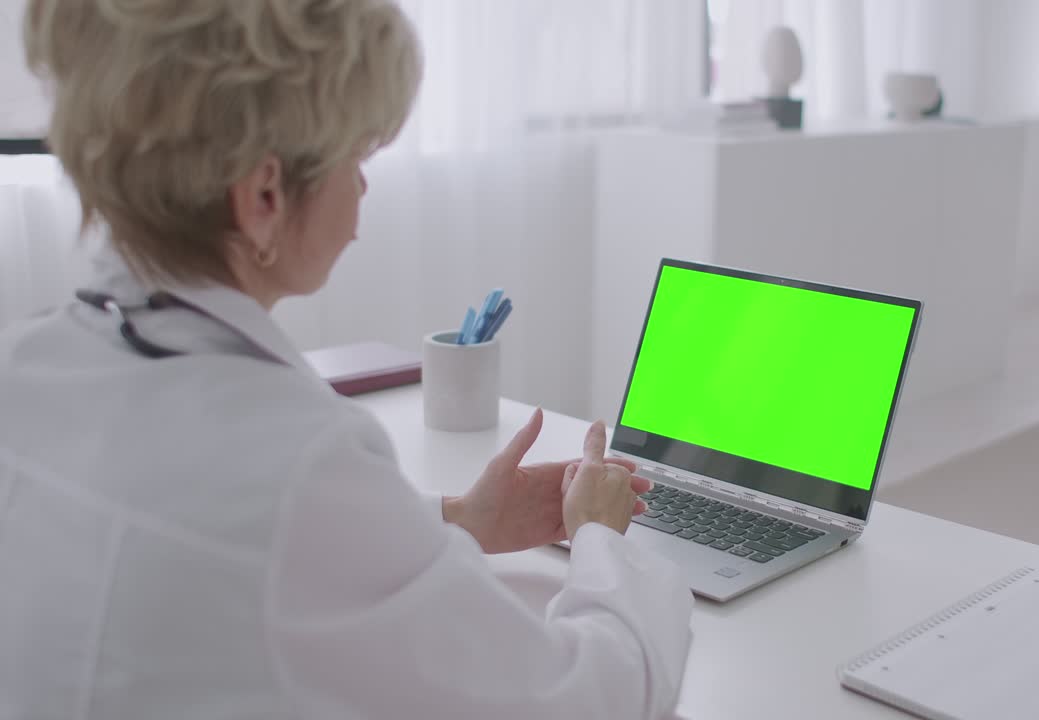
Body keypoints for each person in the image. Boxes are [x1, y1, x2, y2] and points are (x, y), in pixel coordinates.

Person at [0, 1, 694, 718]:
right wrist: (601, 541)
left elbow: (228, 563)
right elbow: (590, 701)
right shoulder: (297, 463)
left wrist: (458, 519)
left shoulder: (28, 367)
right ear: (264, 196)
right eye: (356, 156)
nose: (363, 187)